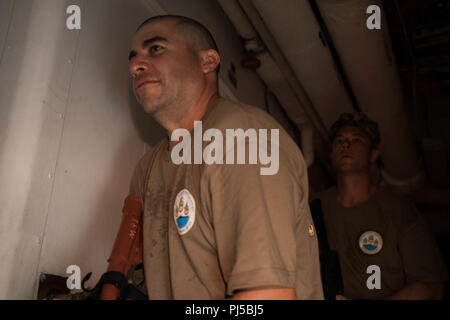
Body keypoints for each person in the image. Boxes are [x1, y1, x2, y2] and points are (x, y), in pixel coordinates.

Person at [127, 15, 323, 299]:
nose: (135, 65)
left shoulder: (241, 138)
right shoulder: (148, 168)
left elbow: (266, 298)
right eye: (133, 59)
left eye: (155, 48)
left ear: (207, 62)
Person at [313, 112, 448, 300]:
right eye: (339, 141)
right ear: (331, 153)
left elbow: (430, 285)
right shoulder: (312, 207)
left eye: (357, 140)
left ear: (373, 154)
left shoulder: (398, 209)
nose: (346, 145)